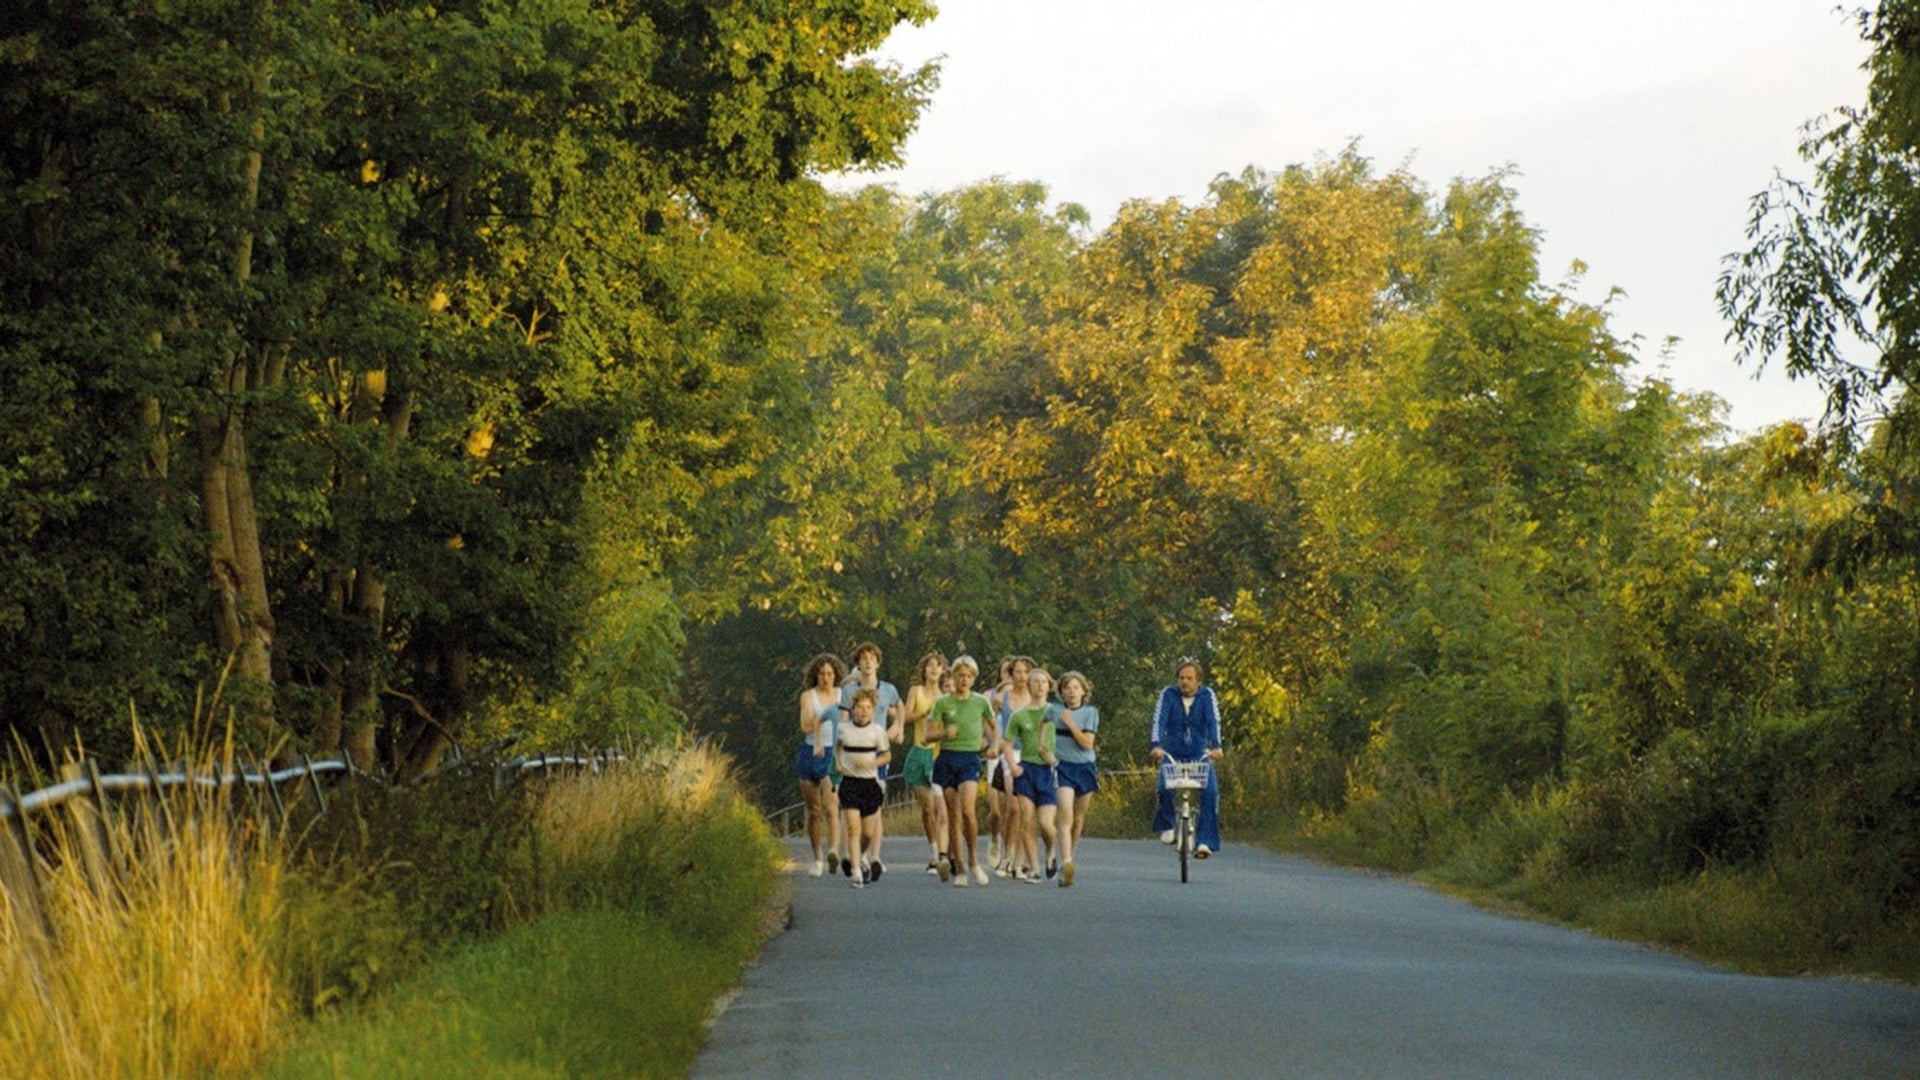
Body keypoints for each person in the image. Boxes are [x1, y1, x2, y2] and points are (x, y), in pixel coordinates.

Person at [926, 654, 998, 887]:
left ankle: (975, 861)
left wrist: (993, 745)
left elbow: (994, 728)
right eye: (960, 675)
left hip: (969, 759)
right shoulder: (943, 703)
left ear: (973, 679)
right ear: (953, 677)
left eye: (968, 676)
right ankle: (960, 868)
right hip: (947, 759)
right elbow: (927, 735)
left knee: (968, 810)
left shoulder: (980, 702)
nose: (964, 679)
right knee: (953, 816)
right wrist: (944, 733)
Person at [1149, 659, 1224, 858]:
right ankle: (1167, 825)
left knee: (1210, 792)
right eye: (1182, 678)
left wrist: (1216, 746)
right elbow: (1159, 720)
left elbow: (1213, 721)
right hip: (1172, 754)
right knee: (1163, 788)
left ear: (1198, 681)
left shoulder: (1207, 696)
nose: (1185, 682)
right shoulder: (1168, 695)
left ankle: (1204, 842)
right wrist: (1156, 745)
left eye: (1189, 678)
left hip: (1199, 756)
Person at [842, 642, 903, 881]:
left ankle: (874, 856)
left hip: (877, 754)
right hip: (854, 755)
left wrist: (898, 727)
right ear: (858, 663)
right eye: (863, 658)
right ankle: (860, 858)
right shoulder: (849, 692)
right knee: (854, 814)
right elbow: (843, 718)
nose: (868, 662)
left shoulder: (887, 689)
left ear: (878, 662)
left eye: (872, 658)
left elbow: (900, 707)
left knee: (875, 807)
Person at [1004, 667, 1060, 884]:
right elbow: (1007, 743)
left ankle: (1050, 852)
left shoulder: (1055, 712)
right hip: (1026, 769)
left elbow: (1066, 739)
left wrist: (1055, 759)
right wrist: (1012, 766)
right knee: (1026, 818)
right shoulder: (1020, 715)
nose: (1039, 685)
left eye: (1043, 682)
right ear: (1029, 685)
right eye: (1034, 681)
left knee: (1046, 824)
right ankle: (1034, 868)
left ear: (1048, 686)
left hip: (1048, 771)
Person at [796, 653, 848, 877]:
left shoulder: (841, 695)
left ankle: (833, 851)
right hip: (810, 752)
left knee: (831, 806)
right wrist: (822, 718)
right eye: (821, 674)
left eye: (829, 673)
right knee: (814, 810)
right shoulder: (808, 696)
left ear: (835, 675)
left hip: (832, 752)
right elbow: (806, 725)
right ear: (815, 675)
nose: (825, 678)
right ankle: (817, 857)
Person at [835, 688, 892, 888]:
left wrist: (872, 764)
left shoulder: (877, 732)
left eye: (868, 707)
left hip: (870, 784)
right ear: (853, 709)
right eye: (860, 707)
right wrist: (839, 763)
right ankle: (856, 873)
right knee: (853, 828)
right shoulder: (843, 728)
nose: (864, 711)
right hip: (850, 783)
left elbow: (887, 756)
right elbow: (838, 745)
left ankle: (859, 857)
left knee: (867, 833)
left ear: (873, 711)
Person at [903, 651, 951, 879]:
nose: (933, 669)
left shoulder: (946, 695)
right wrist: (923, 712)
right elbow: (905, 718)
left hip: (939, 755)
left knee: (941, 808)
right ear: (924, 669)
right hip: (918, 752)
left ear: (943, 670)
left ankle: (943, 854)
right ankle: (933, 851)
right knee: (927, 808)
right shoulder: (916, 691)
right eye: (930, 665)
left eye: (938, 666)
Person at [1051, 670, 1099, 887]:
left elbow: (1087, 743)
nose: (1071, 691)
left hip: (1085, 766)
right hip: (1062, 767)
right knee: (1066, 814)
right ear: (1061, 692)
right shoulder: (1054, 711)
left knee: (1078, 819)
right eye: (1067, 688)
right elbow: (1040, 729)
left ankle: (1069, 858)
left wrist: (1070, 724)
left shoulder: (1090, 713)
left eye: (1075, 687)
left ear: (1083, 691)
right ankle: (1067, 860)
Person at [990, 655, 1035, 875]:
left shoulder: (1036, 698)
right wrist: (994, 741)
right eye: (1018, 672)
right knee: (1013, 807)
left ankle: (1021, 858)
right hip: (1010, 753)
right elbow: (989, 720)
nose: (1022, 677)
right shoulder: (1001, 698)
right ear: (1011, 673)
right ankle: (1007, 856)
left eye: (1026, 672)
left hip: (1031, 755)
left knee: (1026, 810)